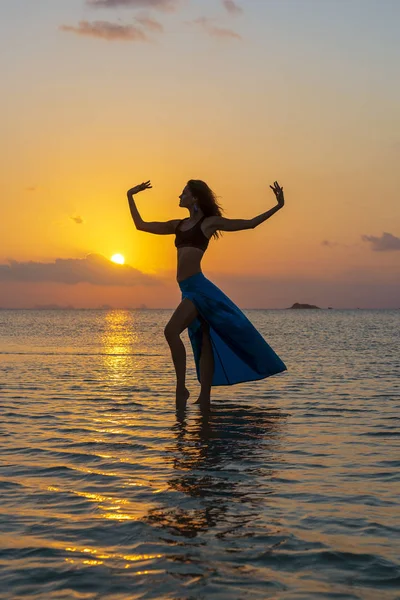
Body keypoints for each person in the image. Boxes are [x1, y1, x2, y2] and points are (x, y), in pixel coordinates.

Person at [127, 179, 287, 410]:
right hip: (187, 291)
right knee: (203, 341)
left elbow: (249, 224)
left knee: (171, 331)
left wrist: (278, 206)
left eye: (183, 193)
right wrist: (130, 196)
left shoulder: (208, 223)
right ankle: (205, 399)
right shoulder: (178, 225)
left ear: (195, 198)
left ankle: (181, 388)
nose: (179, 197)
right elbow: (141, 225)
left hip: (199, 289)